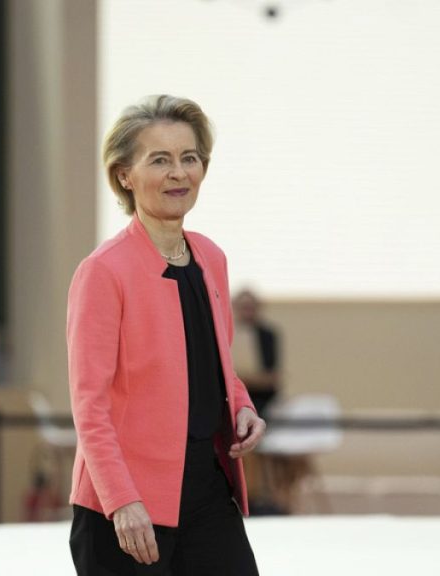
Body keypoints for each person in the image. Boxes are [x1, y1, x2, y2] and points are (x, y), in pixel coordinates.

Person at [67, 95, 266, 575]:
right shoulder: (103, 271)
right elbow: (89, 406)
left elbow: (216, 365)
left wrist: (242, 406)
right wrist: (121, 500)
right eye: (160, 160)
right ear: (124, 175)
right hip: (127, 503)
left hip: (207, 490)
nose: (179, 173)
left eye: (189, 158)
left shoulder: (211, 258)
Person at [231, 289, 281, 416]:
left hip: (261, 398)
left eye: (250, 307)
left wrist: (248, 378)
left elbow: (271, 376)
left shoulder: (266, 335)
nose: (247, 312)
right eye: (244, 307)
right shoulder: (228, 333)